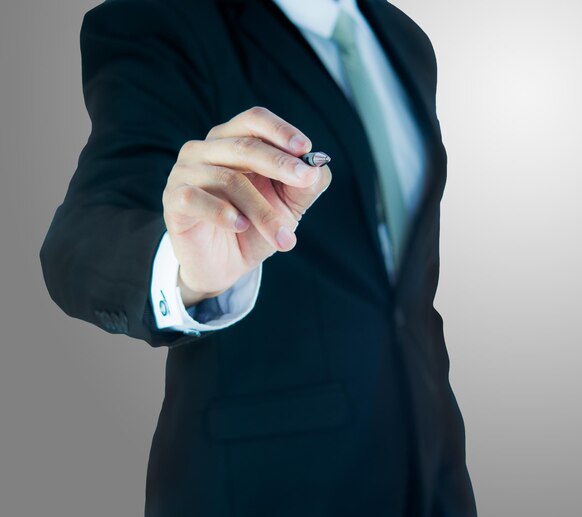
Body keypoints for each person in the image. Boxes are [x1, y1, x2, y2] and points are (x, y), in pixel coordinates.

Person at [39, 0, 478, 515]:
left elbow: (400, 292)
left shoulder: (405, 39)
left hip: (430, 474)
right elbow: (85, 231)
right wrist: (183, 269)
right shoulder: (159, 19)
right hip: (263, 486)